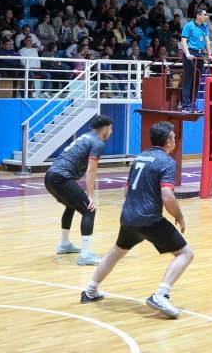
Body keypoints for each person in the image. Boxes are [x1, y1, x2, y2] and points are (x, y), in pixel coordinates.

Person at [80, 122, 195, 318]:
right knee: (186, 253)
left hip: (128, 216)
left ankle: (90, 290)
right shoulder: (167, 162)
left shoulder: (139, 157)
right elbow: (167, 196)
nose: (175, 140)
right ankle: (161, 295)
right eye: (173, 137)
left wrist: (133, 209)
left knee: (116, 252)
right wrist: (180, 216)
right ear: (168, 141)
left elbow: (126, 190)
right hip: (149, 219)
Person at [44, 114, 113, 265]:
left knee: (71, 205)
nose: (111, 131)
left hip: (50, 176)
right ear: (105, 129)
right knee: (89, 210)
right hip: (61, 178)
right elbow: (91, 170)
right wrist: (91, 196)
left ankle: (64, 245)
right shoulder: (98, 143)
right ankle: (85, 255)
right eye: (111, 128)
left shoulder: (85, 136)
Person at [179, 8, 210, 111]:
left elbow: (207, 41)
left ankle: (193, 105)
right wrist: (187, 53)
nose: (206, 16)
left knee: (197, 81)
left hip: (200, 54)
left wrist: (209, 54)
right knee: (188, 81)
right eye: (204, 14)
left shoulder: (204, 27)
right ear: (198, 16)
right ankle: (185, 106)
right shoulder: (189, 26)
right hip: (191, 53)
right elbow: (183, 41)